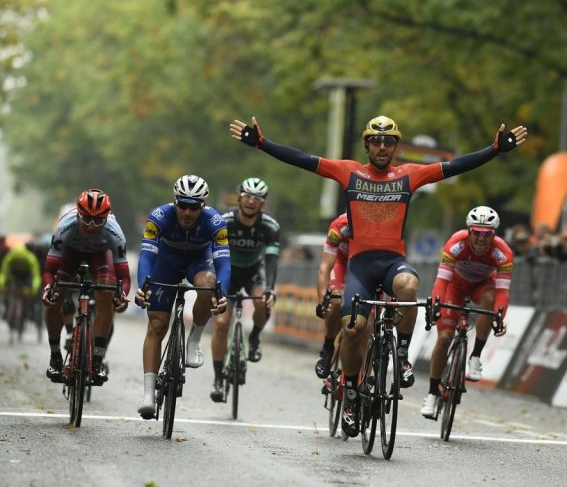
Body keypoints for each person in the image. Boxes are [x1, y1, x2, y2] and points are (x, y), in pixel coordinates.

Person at [230, 114, 527, 437]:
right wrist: (261, 143)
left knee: (409, 285)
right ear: (367, 145)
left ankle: (401, 357)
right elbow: (302, 159)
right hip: (359, 266)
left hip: (392, 263)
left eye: (388, 142)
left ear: (396, 146)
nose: (382, 147)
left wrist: (494, 150)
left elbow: (456, 166)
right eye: (376, 141)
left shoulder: (409, 175)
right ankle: (351, 396)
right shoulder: (349, 172)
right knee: (354, 329)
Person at [134, 174, 230, 417]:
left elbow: (224, 263)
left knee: (208, 285)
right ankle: (147, 393)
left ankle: (194, 340)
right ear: (175, 202)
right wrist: (143, 287)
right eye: (183, 205)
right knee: (156, 326)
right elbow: (147, 257)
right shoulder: (159, 217)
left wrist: (222, 294)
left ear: (203, 206)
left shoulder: (216, 222)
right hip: (166, 261)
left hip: (199, 261)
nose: (187, 212)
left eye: (194, 207)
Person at [420, 206, 513, 418]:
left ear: (494, 234)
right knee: (444, 338)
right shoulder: (455, 244)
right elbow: (441, 281)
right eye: (477, 233)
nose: (481, 239)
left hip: (482, 286)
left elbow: (502, 292)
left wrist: (499, 317)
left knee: (490, 302)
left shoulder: (503, 253)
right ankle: (432, 394)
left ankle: (475, 356)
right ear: (469, 231)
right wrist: (436, 306)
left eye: (486, 234)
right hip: (455, 286)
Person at [40, 189, 130, 384]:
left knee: (106, 292)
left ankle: (97, 361)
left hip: (100, 255)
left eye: (98, 221)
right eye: (87, 219)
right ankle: (55, 356)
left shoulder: (115, 233)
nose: (91, 226)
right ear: (78, 213)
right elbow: (49, 271)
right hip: (70, 254)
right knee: (56, 295)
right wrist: (48, 289)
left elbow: (124, 277)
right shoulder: (64, 227)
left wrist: (121, 296)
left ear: (107, 218)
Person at [209, 177, 279, 402]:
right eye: (247, 196)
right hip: (228, 273)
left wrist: (270, 288)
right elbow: (211, 254)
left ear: (263, 204)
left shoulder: (270, 226)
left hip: (253, 273)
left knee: (263, 302)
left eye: (257, 199)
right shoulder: (224, 221)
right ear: (239, 198)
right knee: (221, 325)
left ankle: (255, 338)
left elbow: (271, 260)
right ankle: (218, 379)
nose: (251, 202)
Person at [314, 212, 350, 379]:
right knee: (335, 302)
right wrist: (323, 300)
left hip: (368, 266)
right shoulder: (340, 224)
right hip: (342, 263)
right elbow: (325, 267)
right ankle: (328, 347)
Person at [0, 242, 42, 331]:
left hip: (26, 276)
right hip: (15, 276)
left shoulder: (30, 258)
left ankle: (25, 311)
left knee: (26, 294)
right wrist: (3, 287)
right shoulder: (10, 257)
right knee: (12, 293)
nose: (19, 261)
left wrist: (32, 290)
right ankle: (10, 310)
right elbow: (3, 274)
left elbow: (35, 276)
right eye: (17, 260)